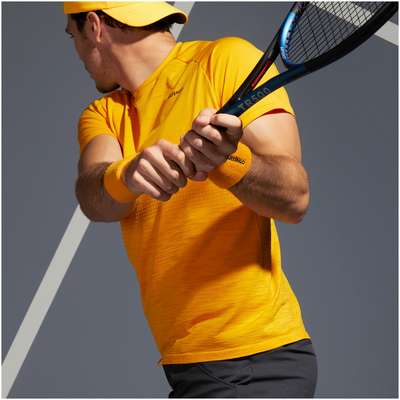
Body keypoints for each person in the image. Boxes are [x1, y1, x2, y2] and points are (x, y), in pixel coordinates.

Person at [64, 2, 318, 397]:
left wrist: (227, 161)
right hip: (191, 364)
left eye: (73, 35)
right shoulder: (104, 115)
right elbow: (93, 197)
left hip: (254, 359)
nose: (77, 53)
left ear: (94, 26)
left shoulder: (226, 60)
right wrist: (127, 175)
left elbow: (294, 197)